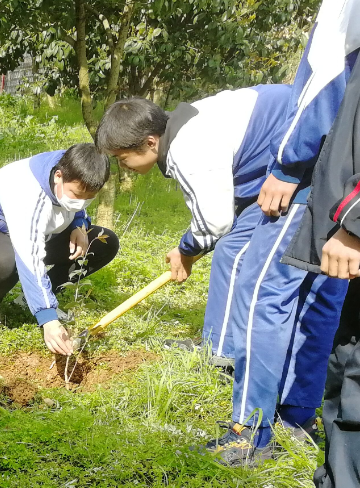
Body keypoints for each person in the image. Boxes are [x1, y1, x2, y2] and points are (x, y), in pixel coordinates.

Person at [204, 0, 360, 466]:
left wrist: (288, 164)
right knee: (323, 295)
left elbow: (325, 77)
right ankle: (296, 416)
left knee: (261, 290)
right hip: (349, 183)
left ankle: (249, 430)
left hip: (320, 171)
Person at [96, 87, 292, 370]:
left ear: (151, 142)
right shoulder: (182, 129)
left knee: (232, 252)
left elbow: (216, 221)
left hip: (298, 155)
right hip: (267, 164)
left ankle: (220, 356)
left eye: (122, 157)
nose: (122, 165)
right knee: (231, 248)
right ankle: (219, 344)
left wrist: (185, 250)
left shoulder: (188, 148)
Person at [260, 62, 360, 488]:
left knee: (358, 384)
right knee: (343, 372)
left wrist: (355, 218)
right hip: (342, 216)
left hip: (353, 220)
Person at [0, 143, 116, 354]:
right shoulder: (28, 192)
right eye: (76, 195)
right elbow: (29, 256)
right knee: (4, 261)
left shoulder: (77, 168)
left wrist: (79, 224)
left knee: (104, 242)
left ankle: (27, 299)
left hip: (42, 232)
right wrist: (47, 318)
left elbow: (75, 208)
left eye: (89, 198)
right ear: (58, 176)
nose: (81, 202)